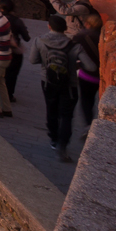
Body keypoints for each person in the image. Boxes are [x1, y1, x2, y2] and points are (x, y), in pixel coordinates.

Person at [34, 15, 80, 162]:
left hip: (48, 81)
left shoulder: (40, 40)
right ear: (65, 28)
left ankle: (53, 139)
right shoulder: (74, 45)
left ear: (49, 26)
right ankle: (63, 145)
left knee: (51, 109)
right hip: (70, 84)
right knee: (66, 115)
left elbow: (33, 60)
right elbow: (90, 65)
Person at [75, 11, 103, 130]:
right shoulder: (103, 36)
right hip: (101, 74)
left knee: (86, 99)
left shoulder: (81, 36)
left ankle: (88, 123)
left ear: (87, 23)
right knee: (95, 98)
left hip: (86, 73)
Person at [0, 0, 31, 103]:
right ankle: (8, 95)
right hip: (13, 51)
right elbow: (26, 38)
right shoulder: (17, 21)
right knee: (11, 75)